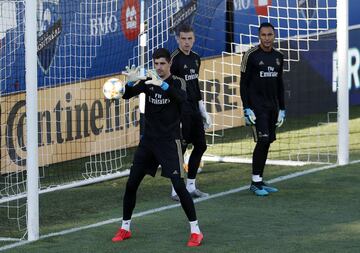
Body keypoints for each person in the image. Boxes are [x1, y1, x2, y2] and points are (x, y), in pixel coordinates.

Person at [112, 48, 203, 247]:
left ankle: (196, 231)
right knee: (131, 184)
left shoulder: (178, 82)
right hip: (149, 142)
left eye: (162, 63)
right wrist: (128, 82)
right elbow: (126, 95)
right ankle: (125, 228)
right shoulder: (148, 81)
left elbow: (182, 99)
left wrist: (161, 84)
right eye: (156, 63)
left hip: (170, 142)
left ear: (169, 64)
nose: (159, 67)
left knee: (179, 186)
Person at [240, 22, 286, 196]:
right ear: (259, 36)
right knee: (263, 140)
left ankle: (259, 179)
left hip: (273, 107)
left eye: (270, 35)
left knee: (268, 142)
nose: (267, 38)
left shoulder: (279, 57)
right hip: (257, 108)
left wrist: (282, 108)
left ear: (274, 36)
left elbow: (280, 84)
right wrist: (247, 108)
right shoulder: (251, 55)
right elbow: (243, 84)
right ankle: (254, 182)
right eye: (263, 35)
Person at [169, 24, 212, 201]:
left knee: (201, 146)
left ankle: (191, 186)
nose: (187, 42)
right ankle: (175, 189)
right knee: (180, 149)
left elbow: (195, 85)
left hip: (194, 108)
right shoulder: (174, 60)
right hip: (181, 111)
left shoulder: (196, 58)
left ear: (194, 39)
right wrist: (175, 116)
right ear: (178, 39)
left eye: (190, 39)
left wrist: (203, 109)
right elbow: (169, 89)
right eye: (183, 39)